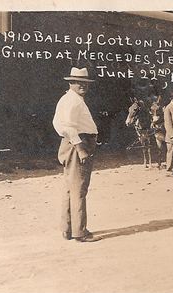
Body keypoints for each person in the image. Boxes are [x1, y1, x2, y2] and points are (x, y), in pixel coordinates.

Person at [52, 67, 101, 242]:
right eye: (78, 82)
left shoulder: (69, 99)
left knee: (70, 188)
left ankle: (67, 228)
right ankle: (80, 232)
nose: (82, 86)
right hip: (77, 145)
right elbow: (68, 127)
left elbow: (58, 123)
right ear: (71, 83)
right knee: (79, 188)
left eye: (85, 83)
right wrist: (80, 149)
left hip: (73, 144)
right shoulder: (72, 101)